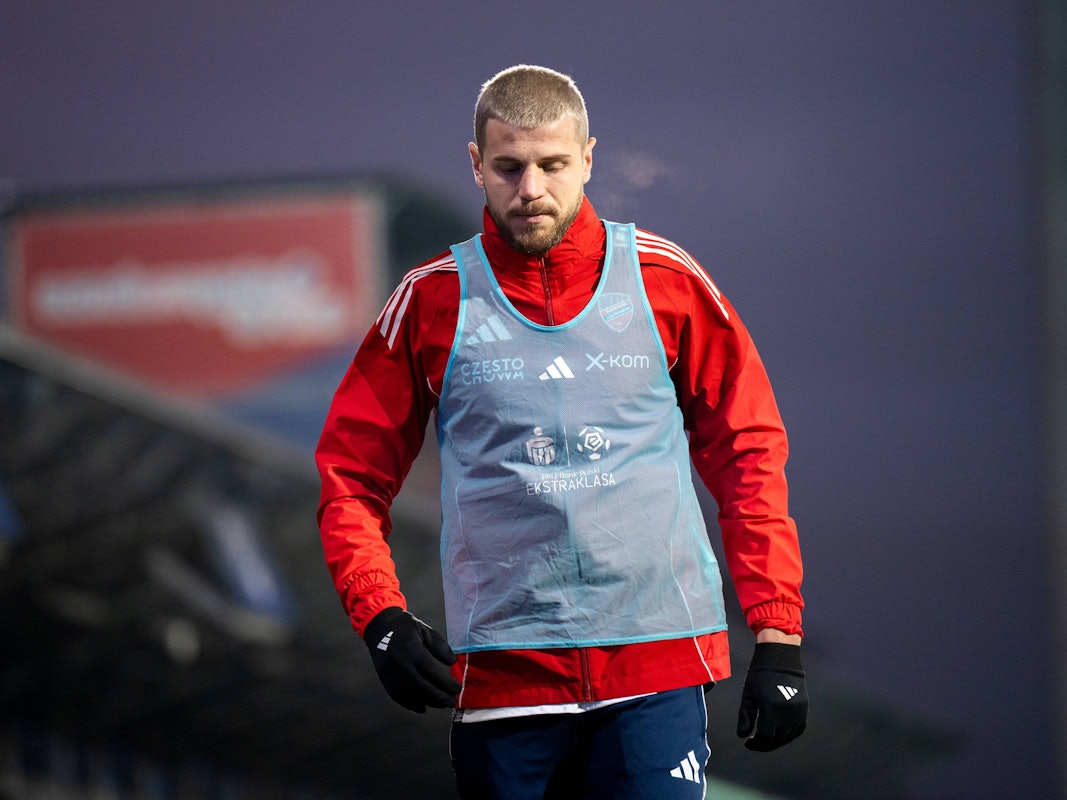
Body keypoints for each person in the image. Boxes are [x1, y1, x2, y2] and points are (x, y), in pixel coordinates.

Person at [316, 64, 807, 799]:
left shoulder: (666, 279)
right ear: (476, 165)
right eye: (509, 168)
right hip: (504, 680)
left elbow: (748, 453)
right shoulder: (428, 302)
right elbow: (350, 477)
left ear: (587, 157)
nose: (531, 189)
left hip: (656, 669)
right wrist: (380, 616)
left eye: (551, 165)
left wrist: (778, 633)